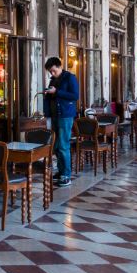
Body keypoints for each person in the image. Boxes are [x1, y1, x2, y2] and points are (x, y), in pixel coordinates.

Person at [43, 57, 79, 188]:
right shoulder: (53, 80)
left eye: (53, 71)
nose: (52, 74)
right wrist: (47, 93)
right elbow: (51, 97)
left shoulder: (70, 78)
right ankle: (61, 171)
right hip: (54, 116)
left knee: (63, 145)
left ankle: (67, 175)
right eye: (50, 72)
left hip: (65, 115)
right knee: (56, 146)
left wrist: (57, 91)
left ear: (59, 66)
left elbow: (75, 96)